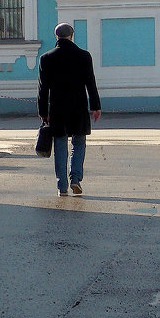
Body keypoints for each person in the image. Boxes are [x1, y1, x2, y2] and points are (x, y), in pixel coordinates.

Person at [38, 23, 101, 197]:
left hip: (57, 108)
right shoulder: (84, 56)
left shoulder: (46, 58)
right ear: (72, 36)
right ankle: (76, 179)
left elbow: (43, 89)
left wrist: (43, 112)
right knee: (78, 143)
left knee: (60, 145)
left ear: (56, 36)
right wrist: (95, 107)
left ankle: (62, 186)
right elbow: (91, 83)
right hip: (79, 107)